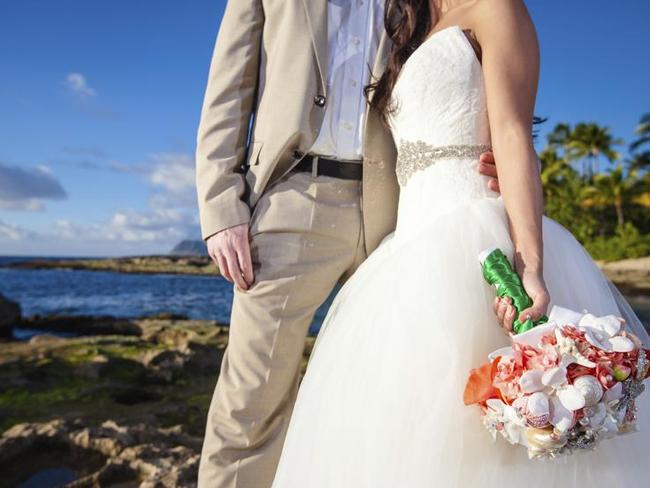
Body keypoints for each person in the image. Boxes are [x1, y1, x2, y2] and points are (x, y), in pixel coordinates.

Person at [271, 0, 650, 486]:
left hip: (475, 242)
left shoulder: (496, 8)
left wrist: (530, 264)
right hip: (406, 251)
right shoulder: (407, 32)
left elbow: (513, 133)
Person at [194, 1, 502, 486]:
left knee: (391, 394)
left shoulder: (420, 3)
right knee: (251, 399)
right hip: (292, 197)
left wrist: (501, 154)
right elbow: (227, 92)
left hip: (400, 208)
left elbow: (464, 74)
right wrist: (220, 208)